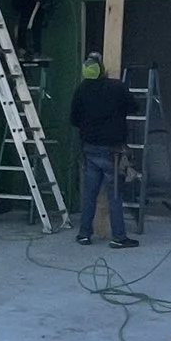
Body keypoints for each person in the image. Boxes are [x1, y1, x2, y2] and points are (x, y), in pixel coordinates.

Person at [67, 52, 137, 248]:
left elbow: (73, 120)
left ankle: (84, 234)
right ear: (102, 68)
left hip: (90, 150)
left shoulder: (80, 90)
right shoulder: (116, 87)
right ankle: (119, 237)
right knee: (115, 195)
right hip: (113, 152)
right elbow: (134, 107)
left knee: (89, 195)